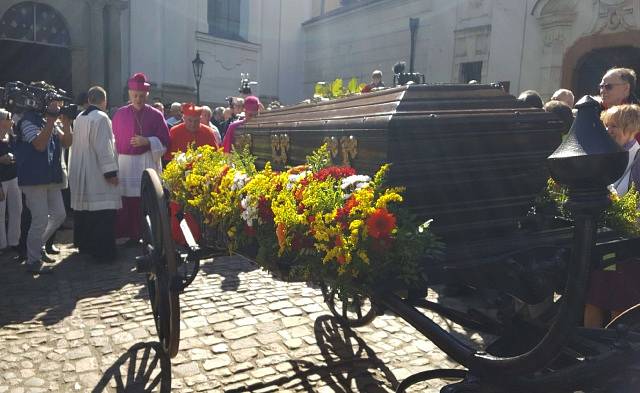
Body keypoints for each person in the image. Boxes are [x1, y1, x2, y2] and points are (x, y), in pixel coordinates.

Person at [584, 104, 640, 328]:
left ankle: (613, 354)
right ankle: (590, 350)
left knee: (621, 304)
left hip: (629, 248)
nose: (607, 131)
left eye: (613, 126)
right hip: (606, 244)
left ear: (631, 127)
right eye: (606, 126)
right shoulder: (610, 157)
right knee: (595, 299)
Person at [14, 82, 73, 274]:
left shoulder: (48, 120)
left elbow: (67, 142)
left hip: (48, 176)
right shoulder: (27, 121)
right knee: (39, 218)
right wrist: (50, 122)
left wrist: (64, 121)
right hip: (33, 177)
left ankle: (37, 247)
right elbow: (39, 145)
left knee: (59, 214)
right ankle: (33, 259)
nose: (55, 103)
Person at [112, 73, 169, 245]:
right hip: (125, 163)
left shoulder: (156, 115)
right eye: (135, 96)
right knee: (126, 200)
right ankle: (129, 234)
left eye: (142, 96)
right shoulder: (120, 114)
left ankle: (147, 232)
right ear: (130, 94)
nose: (138, 99)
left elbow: (165, 142)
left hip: (146, 161)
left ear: (147, 96)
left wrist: (148, 141)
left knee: (145, 199)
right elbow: (112, 141)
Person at [68, 86, 121, 262]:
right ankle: (103, 252)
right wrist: (110, 173)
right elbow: (104, 147)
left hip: (82, 171)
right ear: (104, 101)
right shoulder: (101, 118)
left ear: (89, 100)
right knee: (102, 214)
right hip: (97, 174)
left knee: (86, 212)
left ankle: (86, 246)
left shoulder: (79, 118)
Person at [165, 103, 218, 244]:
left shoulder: (208, 132)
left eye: (196, 121)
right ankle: (181, 237)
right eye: (190, 121)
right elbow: (167, 160)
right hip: (180, 180)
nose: (193, 124)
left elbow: (215, 158)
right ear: (183, 118)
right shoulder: (175, 132)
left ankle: (209, 235)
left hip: (203, 179)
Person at [0, 109, 21, 253]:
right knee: (0, 213)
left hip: (13, 178)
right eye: (8, 118)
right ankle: (1, 244)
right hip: (1, 180)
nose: (11, 120)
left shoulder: (12, 136)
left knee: (16, 209)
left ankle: (14, 240)